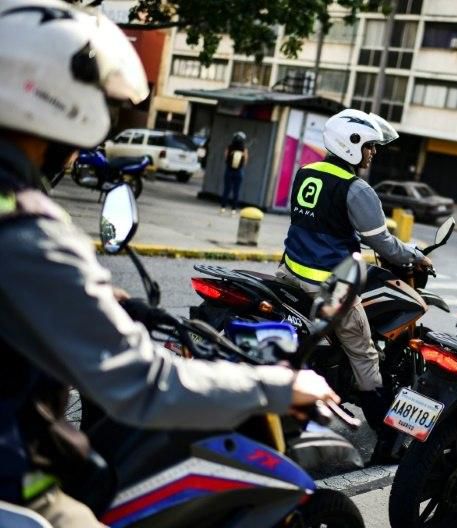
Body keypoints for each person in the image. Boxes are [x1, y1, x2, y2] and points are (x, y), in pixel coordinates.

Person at [0, 3, 338, 526]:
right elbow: (142, 384)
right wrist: (279, 387)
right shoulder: (29, 227)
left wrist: (92, 300)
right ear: (58, 100)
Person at [276, 108, 432, 464]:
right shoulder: (356, 188)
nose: (373, 153)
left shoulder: (306, 172)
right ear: (352, 144)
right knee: (365, 355)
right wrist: (414, 256)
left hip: (288, 272)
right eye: (370, 146)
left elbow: (313, 223)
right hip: (328, 285)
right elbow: (384, 244)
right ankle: (386, 437)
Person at [220, 131, 248, 215]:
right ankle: (233, 209)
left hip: (229, 170)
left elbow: (225, 158)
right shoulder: (244, 149)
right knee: (236, 191)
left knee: (226, 190)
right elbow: (245, 161)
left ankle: (223, 208)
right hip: (239, 172)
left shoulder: (229, 147)